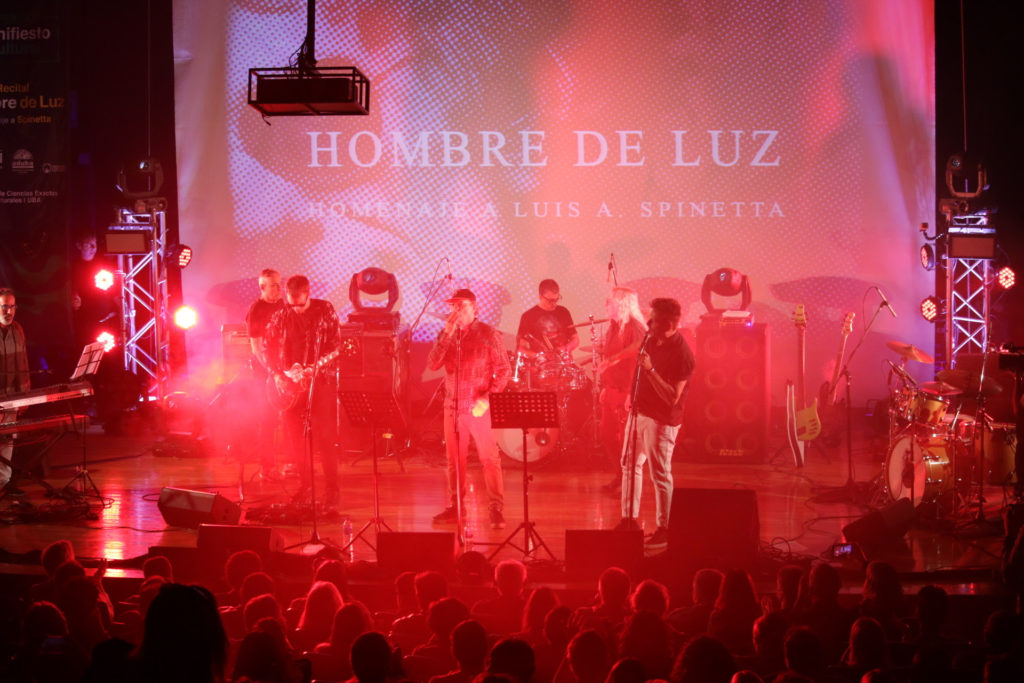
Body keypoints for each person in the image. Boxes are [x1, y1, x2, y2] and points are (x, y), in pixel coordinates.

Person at [427, 288, 511, 530]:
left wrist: (488, 397)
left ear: (475, 309)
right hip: (452, 407)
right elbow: (433, 363)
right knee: (454, 460)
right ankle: (456, 506)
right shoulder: (448, 335)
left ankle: (495, 508)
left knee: (489, 459)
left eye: (461, 307)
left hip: (479, 407)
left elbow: (504, 370)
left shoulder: (488, 334)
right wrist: (447, 332)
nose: (457, 312)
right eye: (454, 307)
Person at [616, 297, 694, 548]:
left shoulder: (682, 354)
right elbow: (638, 369)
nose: (648, 322)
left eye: (654, 319)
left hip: (661, 420)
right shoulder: (651, 338)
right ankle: (629, 519)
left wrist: (650, 370)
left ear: (669, 323)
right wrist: (631, 394)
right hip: (639, 411)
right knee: (629, 464)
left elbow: (673, 397)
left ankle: (664, 527)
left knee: (659, 473)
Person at [264, 275, 342, 504]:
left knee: (325, 438)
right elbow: (268, 346)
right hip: (289, 385)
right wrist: (277, 374)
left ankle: (332, 490)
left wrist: (313, 368)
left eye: (300, 303)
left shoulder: (324, 310)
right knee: (296, 439)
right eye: (292, 302)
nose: (296, 308)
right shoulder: (281, 315)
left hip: (319, 383)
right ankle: (306, 486)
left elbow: (336, 345)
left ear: (308, 293)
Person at [597, 287, 648, 491]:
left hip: (626, 391)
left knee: (628, 441)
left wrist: (630, 392)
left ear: (621, 304)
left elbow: (638, 357)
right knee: (608, 435)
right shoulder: (613, 327)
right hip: (612, 390)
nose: (606, 305)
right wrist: (605, 386)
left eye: (609, 302)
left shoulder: (634, 328)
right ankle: (620, 476)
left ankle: (629, 484)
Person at [244, 268, 286, 479]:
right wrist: (272, 371)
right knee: (268, 419)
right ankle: (267, 468)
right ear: (262, 287)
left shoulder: (282, 305)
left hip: (282, 370)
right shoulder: (256, 310)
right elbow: (256, 346)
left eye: (280, 284)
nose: (279, 289)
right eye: (274, 285)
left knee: (288, 416)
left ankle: (289, 464)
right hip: (264, 372)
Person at [1, 287, 30, 491]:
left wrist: (24, 397)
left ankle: (4, 484)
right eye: (4, 306)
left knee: (7, 443)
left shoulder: (18, 330)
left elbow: (23, 364)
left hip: (12, 397)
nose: (8, 311)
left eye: (12, 306)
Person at [516, 279, 580, 356]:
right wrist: (538, 356)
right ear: (540, 297)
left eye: (557, 299)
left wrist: (566, 349)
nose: (554, 304)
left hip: (564, 363)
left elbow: (575, 339)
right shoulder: (528, 316)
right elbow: (521, 349)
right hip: (540, 365)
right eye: (550, 300)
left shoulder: (563, 312)